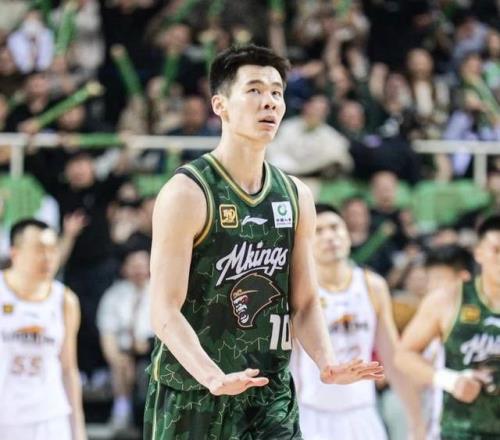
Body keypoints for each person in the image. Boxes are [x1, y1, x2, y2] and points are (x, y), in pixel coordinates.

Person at [144, 44, 384, 439]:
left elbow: (304, 302)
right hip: (193, 392)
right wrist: (213, 377)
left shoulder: (295, 195)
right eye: (254, 90)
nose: (269, 101)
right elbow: (163, 309)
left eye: (276, 92)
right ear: (220, 105)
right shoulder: (188, 192)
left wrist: (326, 362)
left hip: (268, 395)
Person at [292, 203, 422, 440]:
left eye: (335, 227)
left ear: (348, 234)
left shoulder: (373, 286)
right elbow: (289, 362)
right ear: (305, 243)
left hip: (363, 414)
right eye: (319, 231)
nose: (329, 236)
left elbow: (392, 359)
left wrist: (416, 422)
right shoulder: (299, 292)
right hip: (311, 414)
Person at [396, 215, 500, 440]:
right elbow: (403, 354)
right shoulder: (448, 299)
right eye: (496, 250)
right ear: (479, 253)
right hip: (461, 429)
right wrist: (450, 380)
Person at [0, 219, 85, 440]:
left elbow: (69, 369)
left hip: (49, 416)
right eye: (39, 249)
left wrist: (78, 431)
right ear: (15, 253)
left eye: (53, 249)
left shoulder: (65, 300)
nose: (48, 258)